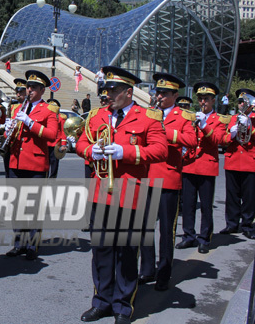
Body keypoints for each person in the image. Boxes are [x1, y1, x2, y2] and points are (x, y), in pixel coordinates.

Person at [76, 66, 167, 324]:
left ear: (129, 92)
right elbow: (82, 141)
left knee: (127, 253)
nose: (109, 94)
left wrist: (125, 153)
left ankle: (123, 306)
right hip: (101, 192)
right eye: (106, 89)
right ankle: (101, 301)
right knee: (101, 250)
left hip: (130, 193)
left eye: (114, 90)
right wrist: (89, 151)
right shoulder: (96, 115)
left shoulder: (148, 117)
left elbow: (160, 150)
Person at [138, 73, 197, 291]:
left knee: (166, 230)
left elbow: (191, 141)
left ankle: (164, 272)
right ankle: (147, 269)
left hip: (168, 178)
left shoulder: (184, 117)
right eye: (157, 92)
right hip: (146, 176)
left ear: (175, 95)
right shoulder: (149, 114)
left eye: (164, 93)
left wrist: (166, 130)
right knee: (144, 228)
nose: (159, 96)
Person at [3, 70, 58, 260]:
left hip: (35, 163)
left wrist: (30, 123)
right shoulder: (17, 109)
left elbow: (52, 135)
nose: (29, 90)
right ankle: (19, 243)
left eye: (34, 87)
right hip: (15, 162)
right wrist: (6, 131)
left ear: (42, 90)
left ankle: (32, 245)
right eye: (28, 87)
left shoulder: (49, 110)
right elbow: (10, 136)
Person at [177, 82, 228, 251]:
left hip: (206, 166)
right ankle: (188, 235)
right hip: (190, 165)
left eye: (206, 99)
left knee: (206, 206)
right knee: (188, 204)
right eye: (200, 99)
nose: (203, 102)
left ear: (213, 100)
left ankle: (205, 238)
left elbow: (218, 140)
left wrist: (204, 125)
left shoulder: (218, 119)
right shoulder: (192, 117)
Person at [220, 89, 255, 239]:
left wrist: (250, 126)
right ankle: (231, 223)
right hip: (233, 161)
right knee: (232, 195)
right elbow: (223, 139)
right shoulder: (232, 118)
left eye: (244, 102)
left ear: (250, 104)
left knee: (249, 196)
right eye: (240, 102)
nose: (241, 104)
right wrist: (232, 134)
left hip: (251, 162)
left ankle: (247, 225)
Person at [3, 79, 27, 178]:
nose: (18, 94)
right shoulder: (13, 107)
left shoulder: (30, 107)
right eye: (17, 92)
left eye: (21, 92)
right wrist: (6, 129)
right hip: (11, 145)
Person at [46, 98, 67, 179]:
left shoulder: (61, 117)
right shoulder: (46, 116)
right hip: (45, 143)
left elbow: (63, 131)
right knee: (45, 164)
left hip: (55, 144)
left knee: (54, 165)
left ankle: (52, 180)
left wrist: (63, 144)